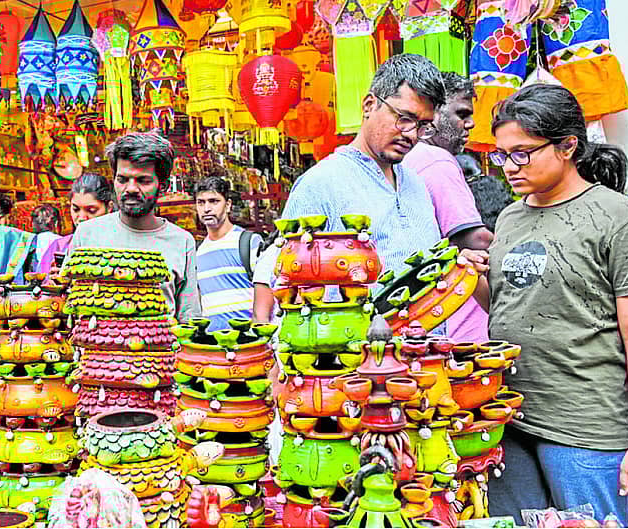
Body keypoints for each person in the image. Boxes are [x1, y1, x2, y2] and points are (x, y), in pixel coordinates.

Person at [461, 84, 628, 524]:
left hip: (585, 429)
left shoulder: (618, 217)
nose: (509, 167)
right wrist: (471, 276)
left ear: (567, 146)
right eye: (502, 155)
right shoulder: (510, 216)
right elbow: (505, 305)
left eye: (522, 153)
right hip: (510, 417)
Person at [280, 54, 445, 300]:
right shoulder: (320, 183)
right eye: (404, 119)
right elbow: (286, 283)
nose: (412, 135)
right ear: (369, 105)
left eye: (423, 126)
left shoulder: (416, 184)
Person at [66, 131, 201, 323]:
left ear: (162, 186)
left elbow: (189, 318)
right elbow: (69, 305)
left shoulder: (182, 242)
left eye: (143, 180)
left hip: (161, 342)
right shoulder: (87, 233)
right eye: (122, 179)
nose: (130, 189)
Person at [402, 72, 493, 343]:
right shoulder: (435, 160)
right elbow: (476, 240)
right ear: (433, 114)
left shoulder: (405, 160)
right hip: (459, 323)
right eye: (461, 114)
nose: (470, 124)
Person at [194, 177, 262, 332]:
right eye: (201, 202)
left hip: (248, 340)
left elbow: (268, 290)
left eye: (214, 201)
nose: (206, 209)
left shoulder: (248, 242)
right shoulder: (198, 251)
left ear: (228, 205)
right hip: (212, 341)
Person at [37, 173, 114, 275]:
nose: (81, 218)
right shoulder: (59, 247)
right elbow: (39, 280)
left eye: (91, 210)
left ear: (109, 207)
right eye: (75, 209)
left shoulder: (118, 246)